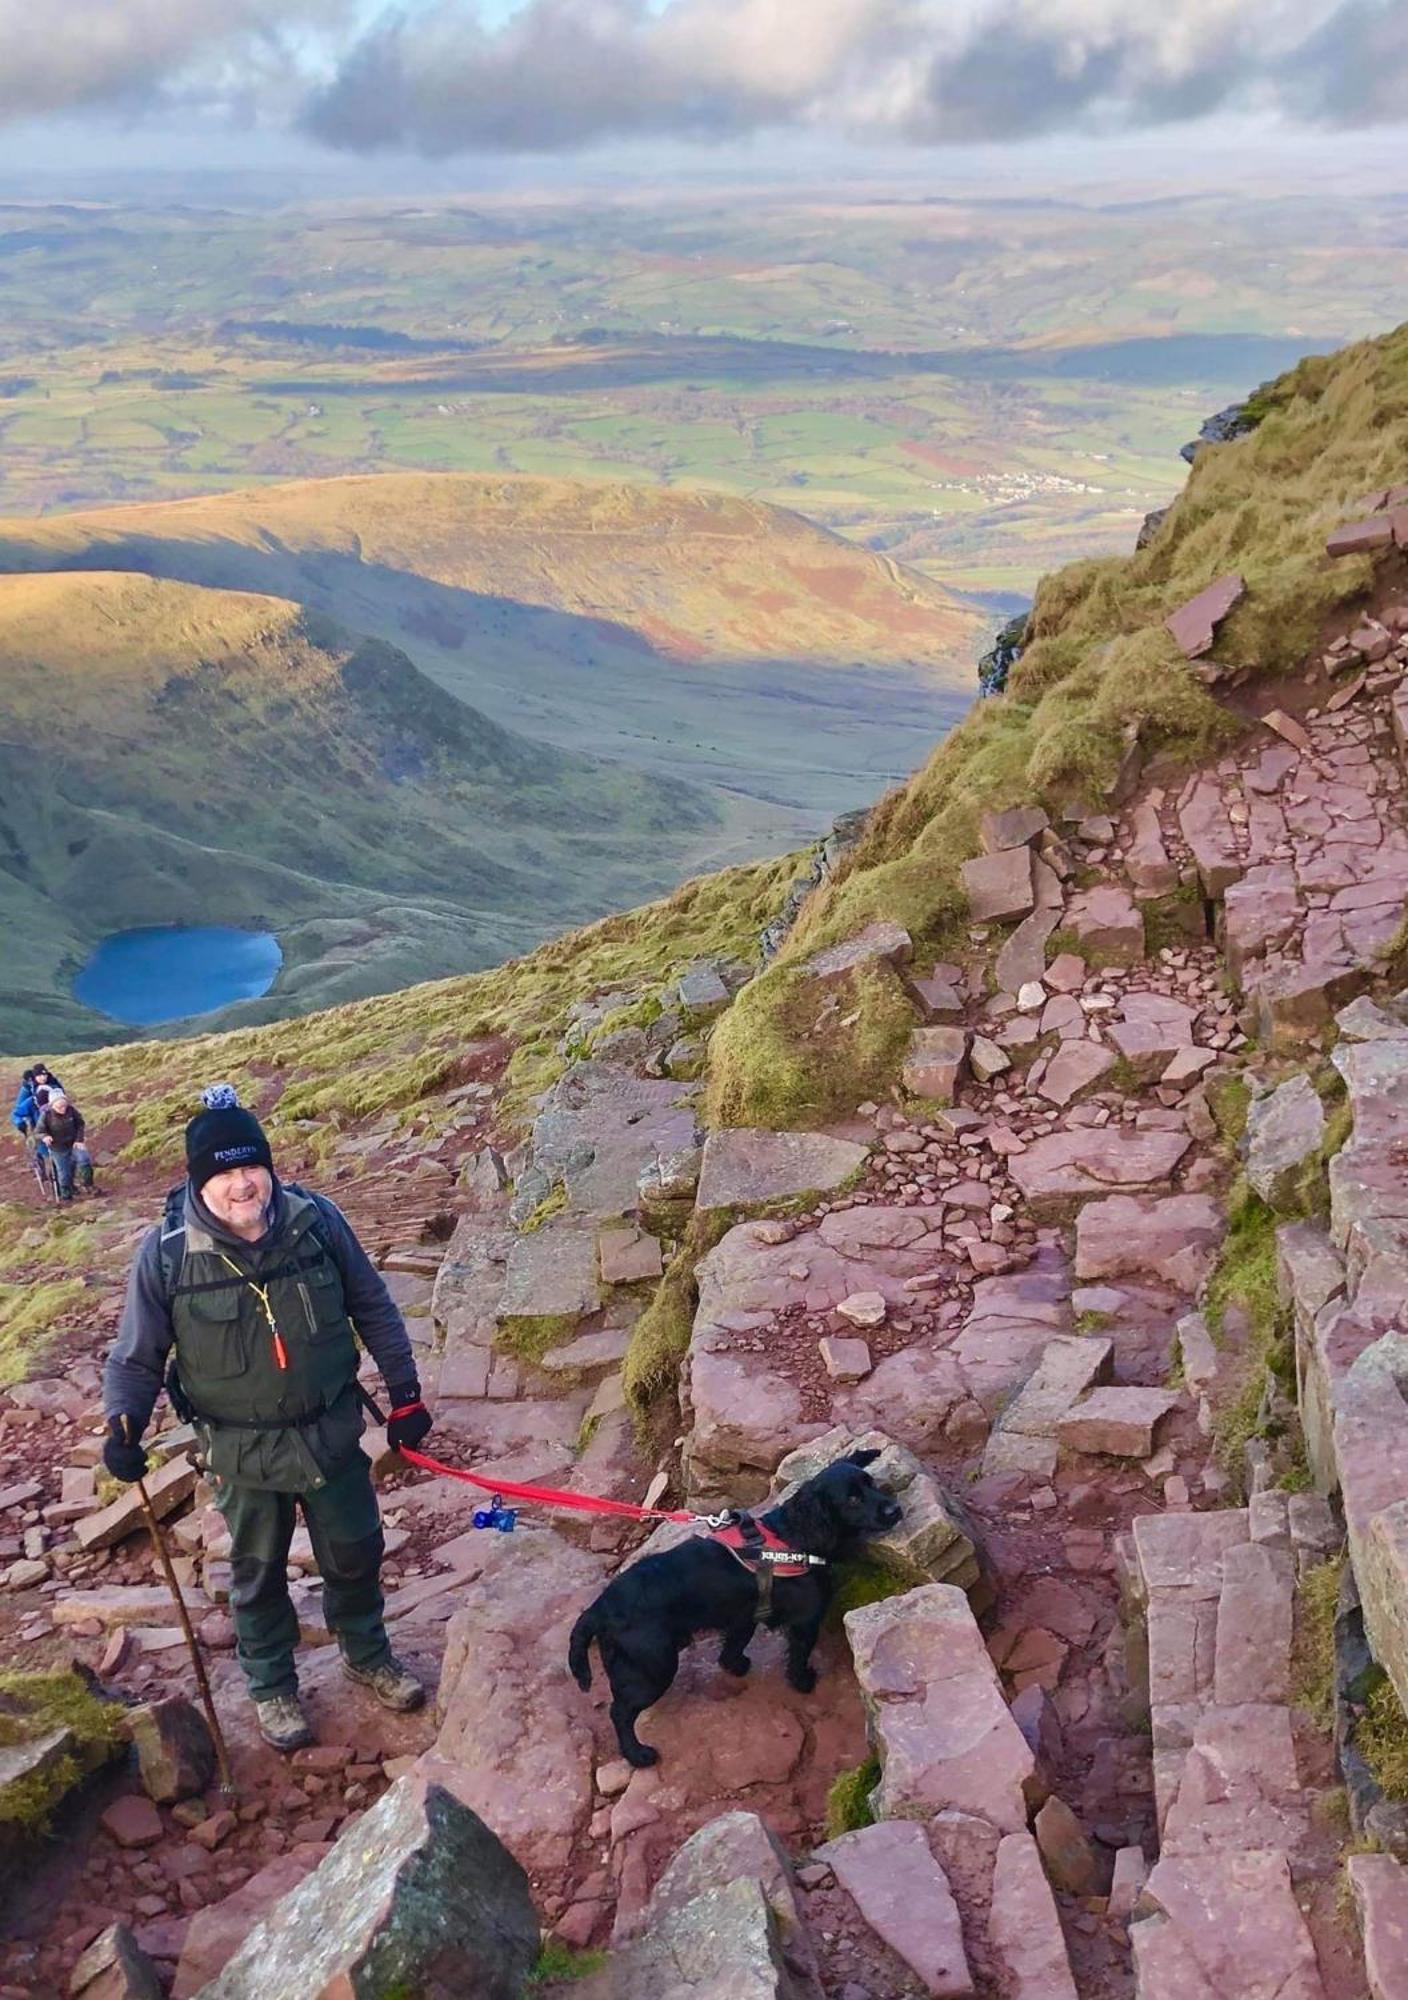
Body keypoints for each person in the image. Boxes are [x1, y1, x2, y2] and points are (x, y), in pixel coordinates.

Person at [100, 1084, 435, 1753]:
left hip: (331, 1429)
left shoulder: (317, 1221)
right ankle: (272, 1684)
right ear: (200, 1182)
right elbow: (136, 1356)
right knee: (257, 1570)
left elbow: (373, 1305)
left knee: (355, 1551)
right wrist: (122, 1426)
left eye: (251, 1166)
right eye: (223, 1172)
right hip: (242, 1449)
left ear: (269, 1165)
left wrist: (406, 1395)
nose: (241, 1183)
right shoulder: (166, 1254)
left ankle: (366, 1652)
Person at [36, 1090, 91, 1201]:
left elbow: (80, 1123)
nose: (63, 1108)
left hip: (74, 1143)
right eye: (59, 1106)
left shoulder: (71, 1111)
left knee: (84, 1159)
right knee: (64, 1173)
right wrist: (45, 1136)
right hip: (57, 1148)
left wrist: (79, 1139)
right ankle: (66, 1195)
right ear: (52, 1105)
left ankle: (89, 1184)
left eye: (64, 1105)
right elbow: (38, 1131)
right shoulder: (46, 1115)